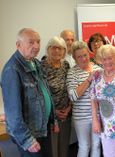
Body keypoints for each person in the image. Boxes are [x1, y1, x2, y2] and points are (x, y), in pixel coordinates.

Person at [1, 28, 58, 157]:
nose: (36, 46)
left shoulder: (35, 63)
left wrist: (53, 120)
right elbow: (12, 113)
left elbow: (45, 93)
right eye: (31, 42)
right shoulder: (12, 70)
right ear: (18, 45)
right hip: (29, 135)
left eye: (38, 42)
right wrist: (27, 140)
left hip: (43, 128)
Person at [66, 41, 101, 157]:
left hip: (97, 115)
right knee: (84, 146)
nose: (83, 59)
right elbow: (72, 96)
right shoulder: (72, 73)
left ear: (89, 54)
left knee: (96, 145)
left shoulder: (98, 69)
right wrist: (88, 80)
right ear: (74, 58)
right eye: (79, 57)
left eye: (85, 55)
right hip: (81, 117)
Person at [41, 36, 71, 157]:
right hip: (50, 117)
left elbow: (70, 87)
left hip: (65, 114)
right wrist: (54, 112)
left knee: (64, 149)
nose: (57, 51)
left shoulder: (66, 65)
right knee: (52, 151)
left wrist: (69, 108)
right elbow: (40, 94)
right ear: (48, 49)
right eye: (54, 48)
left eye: (61, 48)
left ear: (64, 51)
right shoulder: (41, 66)